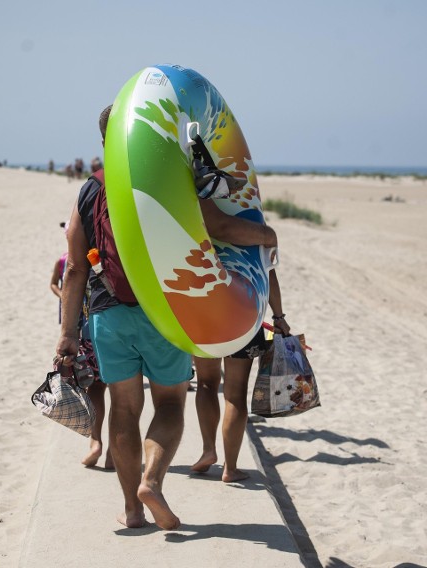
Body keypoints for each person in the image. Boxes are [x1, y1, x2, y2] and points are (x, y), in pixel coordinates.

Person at [55, 105, 276, 530]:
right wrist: (267, 236)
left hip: (106, 314)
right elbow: (220, 228)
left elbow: (75, 265)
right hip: (164, 312)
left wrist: (67, 331)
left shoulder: (89, 191)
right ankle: (152, 483)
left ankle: (132, 509)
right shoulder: (164, 180)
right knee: (171, 402)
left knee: (123, 407)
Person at [191, 270, 290, 482]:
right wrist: (278, 316)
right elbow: (270, 273)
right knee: (235, 393)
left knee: (206, 384)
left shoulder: (204, 235)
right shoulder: (260, 236)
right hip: (245, 313)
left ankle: (208, 450)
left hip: (203, 310)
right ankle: (231, 468)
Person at [50, 250, 113, 469]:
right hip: (122, 325)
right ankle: (116, 449)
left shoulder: (77, 257)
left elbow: (73, 285)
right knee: (125, 393)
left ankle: (95, 442)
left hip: (90, 331)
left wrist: (69, 334)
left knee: (95, 387)